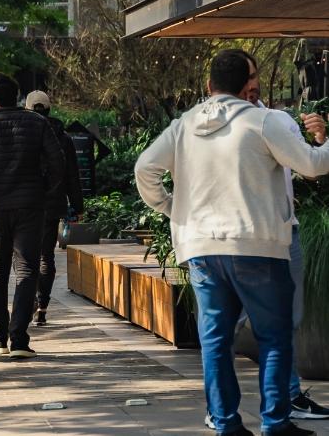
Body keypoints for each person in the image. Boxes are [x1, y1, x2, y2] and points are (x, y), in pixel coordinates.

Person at [135, 49, 329, 436]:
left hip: (202, 249)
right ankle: (275, 424)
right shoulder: (264, 121)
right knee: (273, 338)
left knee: (216, 341)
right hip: (257, 246)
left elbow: (145, 169)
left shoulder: (184, 125)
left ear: (209, 86)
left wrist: (175, 208)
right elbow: (311, 165)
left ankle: (226, 423)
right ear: (248, 85)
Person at [201, 60, 329, 429]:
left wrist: (320, 139)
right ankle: (219, 409)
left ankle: (287, 398)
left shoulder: (278, 121)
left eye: (255, 77)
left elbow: (308, 168)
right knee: (222, 327)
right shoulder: (201, 127)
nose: (252, 84)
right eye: (246, 78)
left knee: (286, 319)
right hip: (226, 239)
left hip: (281, 234)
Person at [0, 73, 63, 358]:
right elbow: (58, 163)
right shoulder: (38, 123)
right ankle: (19, 339)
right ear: (16, 96)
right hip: (31, 204)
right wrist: (42, 188)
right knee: (27, 269)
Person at [24, 91, 84, 327]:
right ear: (49, 109)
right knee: (46, 256)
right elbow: (72, 175)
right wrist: (77, 206)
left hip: (27, 203)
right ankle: (43, 306)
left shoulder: (24, 134)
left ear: (28, 109)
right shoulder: (63, 137)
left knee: (27, 256)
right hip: (52, 204)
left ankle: (28, 302)